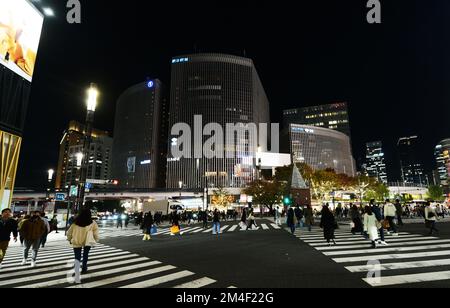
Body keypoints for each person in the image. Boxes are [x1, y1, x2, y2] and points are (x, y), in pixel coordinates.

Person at [67, 209, 99, 284]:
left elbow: (69, 232)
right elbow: (96, 233)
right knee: (85, 255)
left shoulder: (75, 222)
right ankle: (84, 268)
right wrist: (96, 240)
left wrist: (69, 239)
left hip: (76, 241)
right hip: (88, 241)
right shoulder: (93, 223)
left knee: (77, 257)